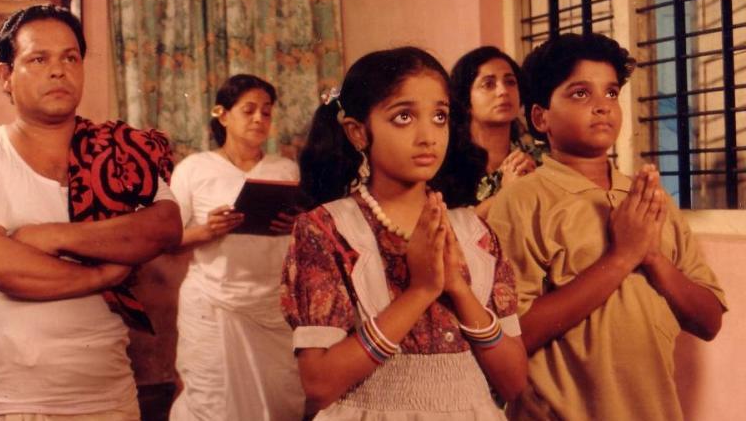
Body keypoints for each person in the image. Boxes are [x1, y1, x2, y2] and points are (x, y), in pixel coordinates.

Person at [0, 5, 182, 420]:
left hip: (109, 395)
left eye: (70, 57)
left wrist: (51, 236)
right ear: (5, 75)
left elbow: (164, 226)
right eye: (39, 59)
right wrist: (102, 274)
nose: (58, 70)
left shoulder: (119, 148)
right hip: (10, 402)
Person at [486, 33, 727, 420]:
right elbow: (513, 335)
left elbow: (709, 320)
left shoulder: (649, 200)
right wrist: (621, 258)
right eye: (581, 93)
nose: (602, 106)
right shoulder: (523, 201)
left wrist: (652, 258)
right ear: (540, 118)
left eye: (611, 93)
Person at [281, 47, 528, 420]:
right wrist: (420, 291)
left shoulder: (475, 233)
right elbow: (319, 384)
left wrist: (459, 289)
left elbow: (514, 383)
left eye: (439, 116)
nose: (428, 136)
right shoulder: (328, 230)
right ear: (358, 132)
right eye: (404, 117)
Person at [169, 74, 305, 421]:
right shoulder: (193, 169)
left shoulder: (285, 169)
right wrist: (206, 231)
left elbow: (305, 242)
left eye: (266, 112)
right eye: (249, 110)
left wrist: (295, 227)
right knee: (213, 402)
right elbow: (167, 240)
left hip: (270, 306)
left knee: (279, 399)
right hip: (212, 304)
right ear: (224, 115)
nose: (259, 119)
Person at [450, 46, 544, 218]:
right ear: (465, 99)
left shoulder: (538, 160)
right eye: (488, 84)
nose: (503, 91)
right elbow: (449, 229)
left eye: (510, 82)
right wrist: (506, 193)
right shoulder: (446, 164)